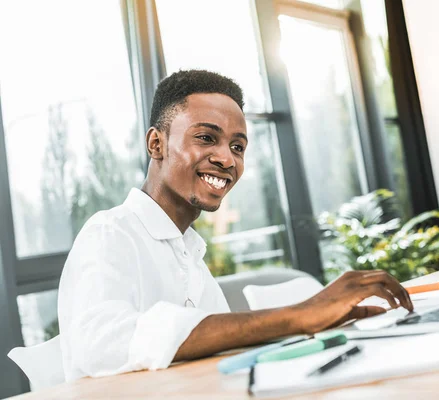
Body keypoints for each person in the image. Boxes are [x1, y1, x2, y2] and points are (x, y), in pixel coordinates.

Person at [57, 69, 413, 382]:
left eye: (238, 146)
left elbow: (221, 347)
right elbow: (100, 342)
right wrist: (298, 316)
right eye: (206, 138)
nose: (227, 159)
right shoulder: (110, 232)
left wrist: (314, 327)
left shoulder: (188, 253)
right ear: (156, 144)